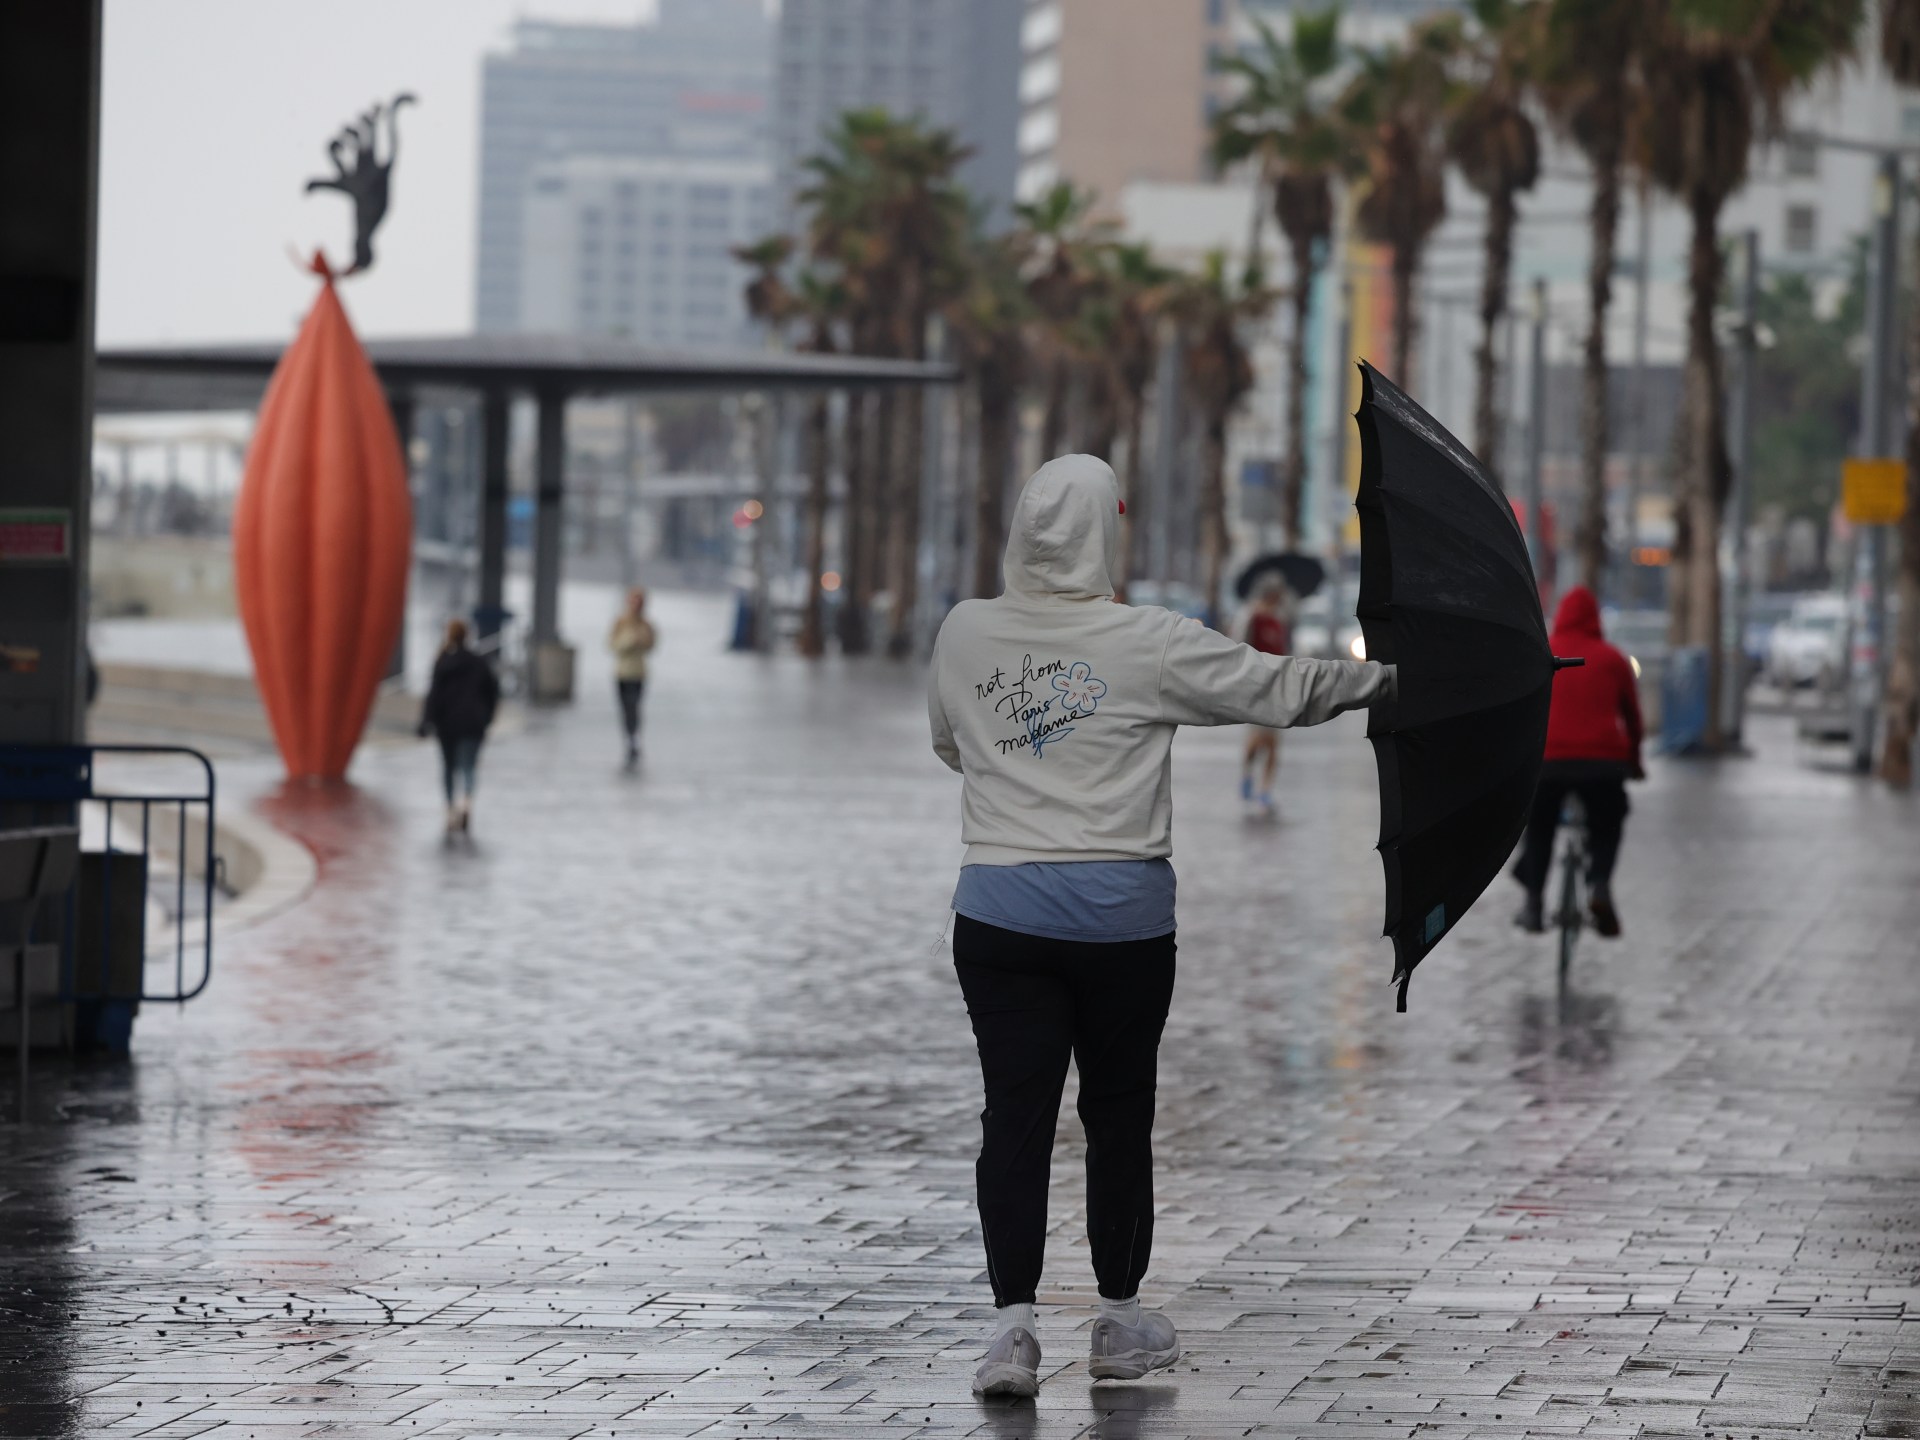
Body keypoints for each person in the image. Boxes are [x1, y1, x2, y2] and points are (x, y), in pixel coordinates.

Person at [926, 455, 1396, 1398]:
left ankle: (1011, 1332)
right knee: (1117, 1114)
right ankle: (1118, 1319)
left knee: (1014, 1117)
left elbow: (952, 745)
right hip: (1121, 927)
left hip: (1000, 915)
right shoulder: (1148, 642)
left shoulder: (965, 632)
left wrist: (1028, 769)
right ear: (1106, 533)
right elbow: (1279, 690)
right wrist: (1387, 680)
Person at [1513, 585, 1644, 936]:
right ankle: (1599, 884)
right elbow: (1633, 719)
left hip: (1549, 762)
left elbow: (1523, 713)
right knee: (1608, 822)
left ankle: (1534, 904)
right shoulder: (1613, 659)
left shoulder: (1543, 653)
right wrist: (1634, 763)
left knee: (1539, 826)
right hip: (1603, 765)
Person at [418, 619, 499, 833]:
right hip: (473, 724)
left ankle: (449, 809)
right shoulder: (479, 662)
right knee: (469, 767)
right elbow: (492, 692)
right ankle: (466, 804)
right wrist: (487, 717)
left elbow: (434, 695)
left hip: (447, 724)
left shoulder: (443, 661)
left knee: (448, 767)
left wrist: (426, 721)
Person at [1234, 577, 1295, 813]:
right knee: (1257, 739)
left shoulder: (1280, 619)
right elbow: (1239, 645)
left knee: (1273, 742)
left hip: (1276, 685)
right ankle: (1247, 774)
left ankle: (1265, 789)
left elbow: (1284, 649)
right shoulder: (1251, 616)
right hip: (1257, 686)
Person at [608, 587, 657, 767]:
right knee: (625, 708)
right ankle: (629, 738)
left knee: (635, 706)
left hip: (639, 673)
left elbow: (652, 645)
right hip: (622, 673)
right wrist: (629, 641)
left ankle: (634, 738)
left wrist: (642, 640)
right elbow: (612, 645)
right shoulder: (621, 622)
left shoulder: (646, 624)